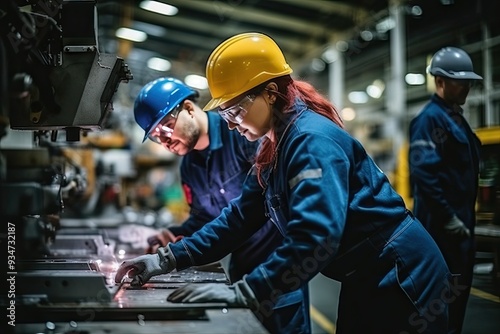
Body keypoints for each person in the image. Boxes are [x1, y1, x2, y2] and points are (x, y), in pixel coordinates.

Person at [116, 33, 452, 333]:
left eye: (234, 112)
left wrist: (245, 292)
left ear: (271, 93)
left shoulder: (311, 142)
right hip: (364, 276)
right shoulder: (273, 147)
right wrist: (165, 259)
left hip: (401, 275)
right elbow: (240, 218)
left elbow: (315, 237)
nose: (231, 125)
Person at [128, 76, 311, 333]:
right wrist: (171, 241)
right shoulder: (190, 166)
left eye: (167, 127)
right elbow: (208, 217)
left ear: (189, 109)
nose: (165, 141)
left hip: (278, 269)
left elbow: (246, 214)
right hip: (240, 268)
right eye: (157, 137)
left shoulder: (244, 133)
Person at [409, 46, 482, 333]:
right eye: (459, 81)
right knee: (440, 306)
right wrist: (449, 217)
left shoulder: (456, 119)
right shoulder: (430, 120)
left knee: (457, 302)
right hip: (441, 233)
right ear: (440, 82)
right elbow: (424, 175)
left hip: (460, 229)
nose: (466, 87)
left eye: (469, 82)